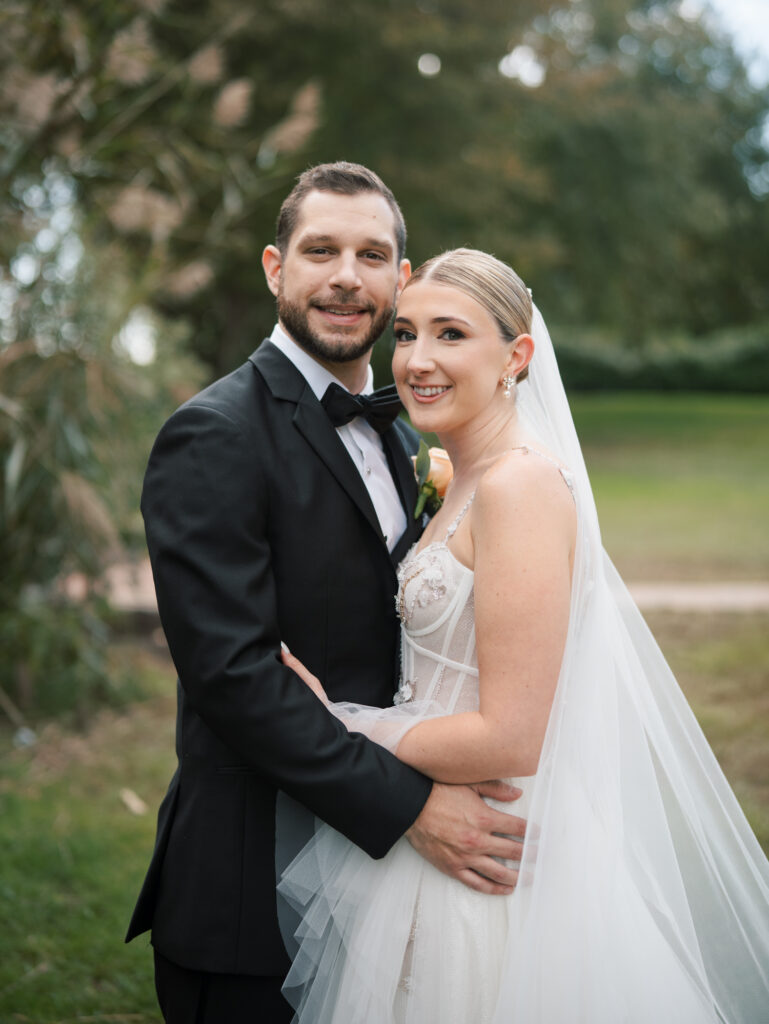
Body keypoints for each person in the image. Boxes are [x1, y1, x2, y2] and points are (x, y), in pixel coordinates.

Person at [279, 248, 769, 1022]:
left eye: (450, 334)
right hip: (431, 823)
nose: (417, 359)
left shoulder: (519, 486)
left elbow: (511, 737)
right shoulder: (457, 478)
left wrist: (335, 724)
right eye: (405, 334)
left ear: (516, 355)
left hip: (493, 845)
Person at [124, 168, 526, 1023]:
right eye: (321, 251)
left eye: (371, 254)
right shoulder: (214, 435)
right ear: (275, 269)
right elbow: (235, 677)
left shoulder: (403, 432)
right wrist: (412, 806)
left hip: (381, 898)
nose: (347, 275)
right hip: (251, 891)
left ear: (400, 280)